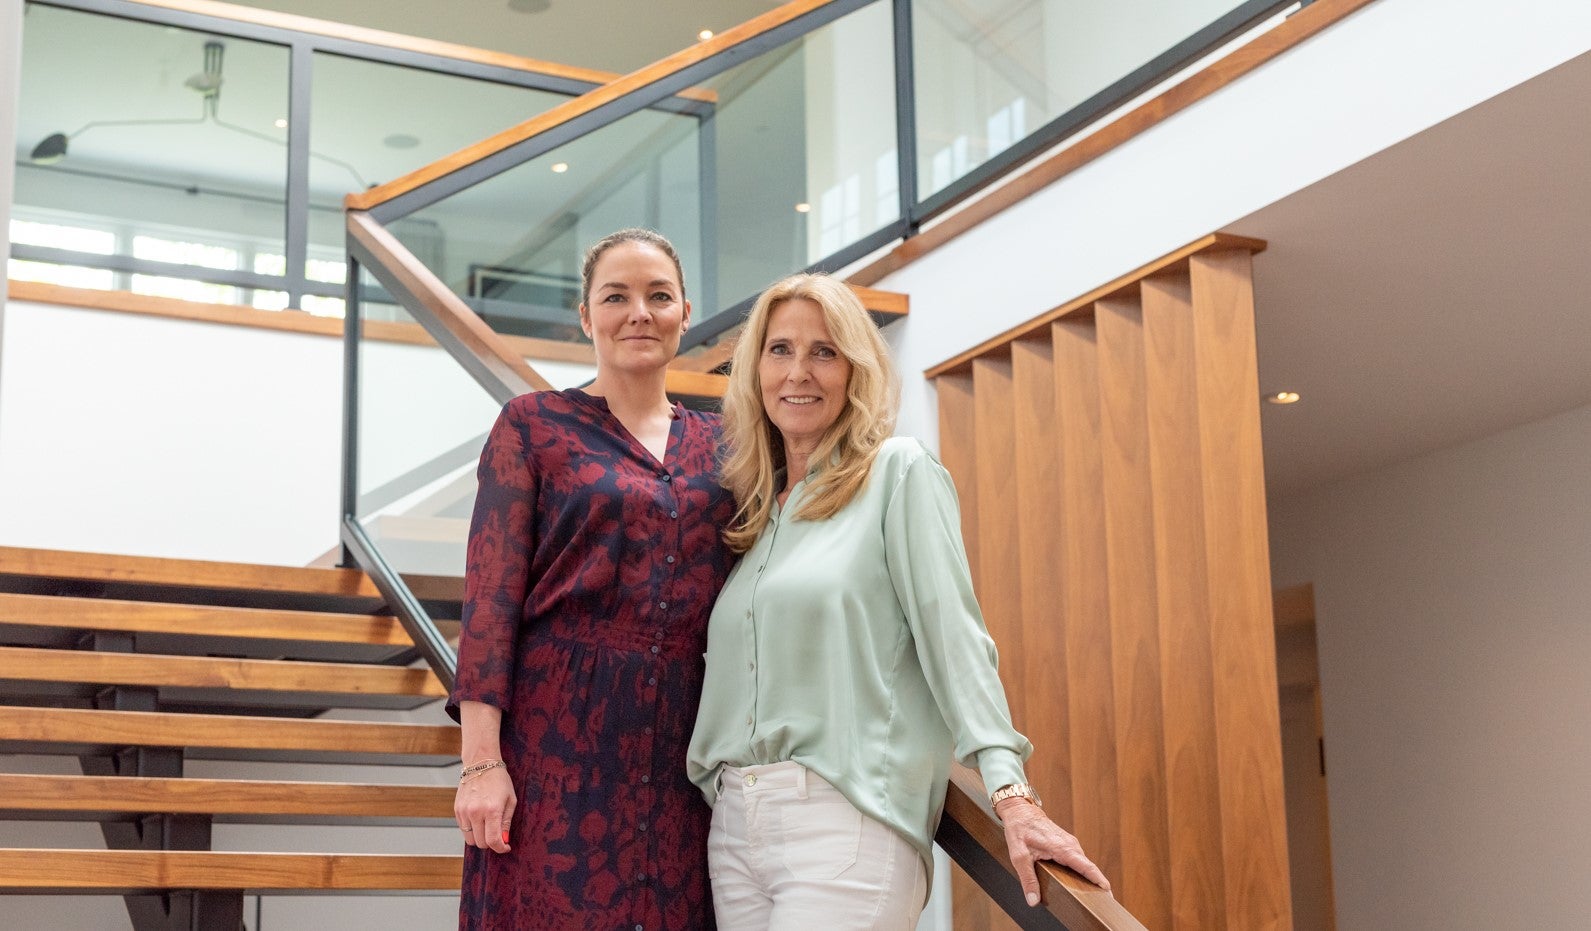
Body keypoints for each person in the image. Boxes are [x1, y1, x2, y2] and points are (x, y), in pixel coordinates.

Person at [686, 273, 1111, 927]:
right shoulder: (754, 516)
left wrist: (1011, 791)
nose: (799, 371)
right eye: (780, 349)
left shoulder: (896, 472)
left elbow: (954, 636)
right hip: (736, 831)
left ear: (855, 369)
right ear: (754, 369)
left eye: (824, 351)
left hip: (843, 821)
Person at [449, 228, 736, 929]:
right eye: (616, 296)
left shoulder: (729, 441)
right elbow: (489, 601)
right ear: (586, 317)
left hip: (681, 746)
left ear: (684, 312)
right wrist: (480, 764)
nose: (639, 311)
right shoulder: (533, 424)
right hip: (555, 742)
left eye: (657, 295)